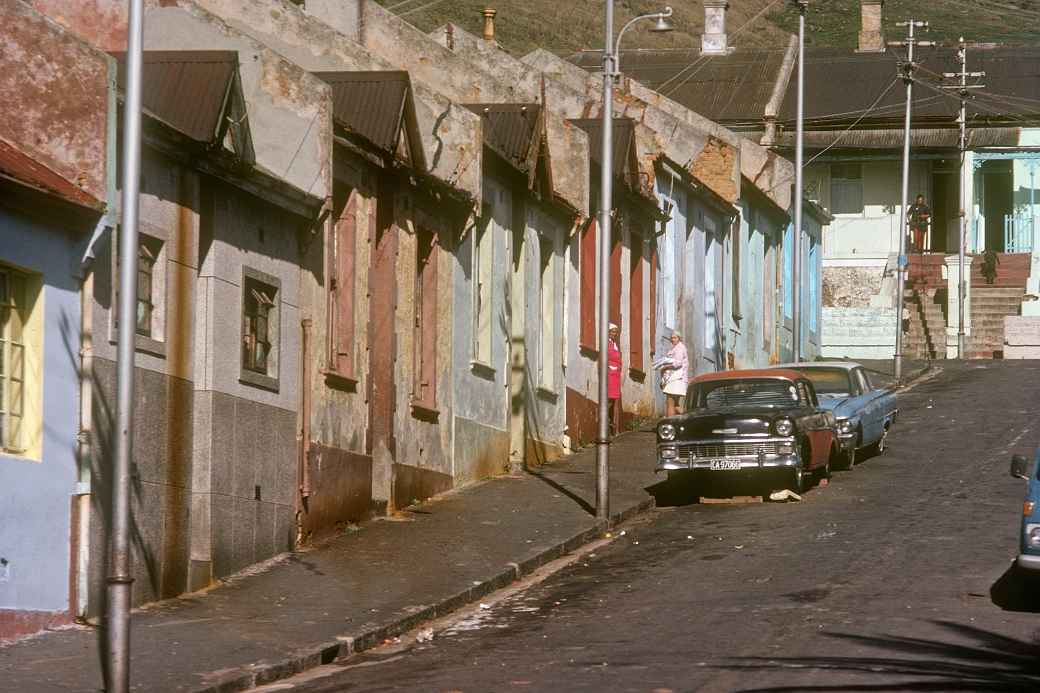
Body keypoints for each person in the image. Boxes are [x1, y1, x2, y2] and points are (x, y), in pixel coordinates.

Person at [657, 331, 689, 417]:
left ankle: (669, 423)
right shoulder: (676, 348)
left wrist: (665, 366)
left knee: (670, 402)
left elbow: (678, 363)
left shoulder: (680, 348)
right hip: (675, 378)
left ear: (679, 338)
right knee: (675, 404)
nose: (672, 339)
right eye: (671, 338)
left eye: (675, 338)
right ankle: (689, 418)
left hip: (676, 379)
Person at [607, 323, 622, 435]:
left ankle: (615, 429)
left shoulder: (615, 344)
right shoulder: (607, 343)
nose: (614, 334)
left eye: (615, 332)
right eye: (612, 331)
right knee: (609, 400)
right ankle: (608, 426)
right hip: (609, 374)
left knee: (615, 400)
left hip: (616, 375)